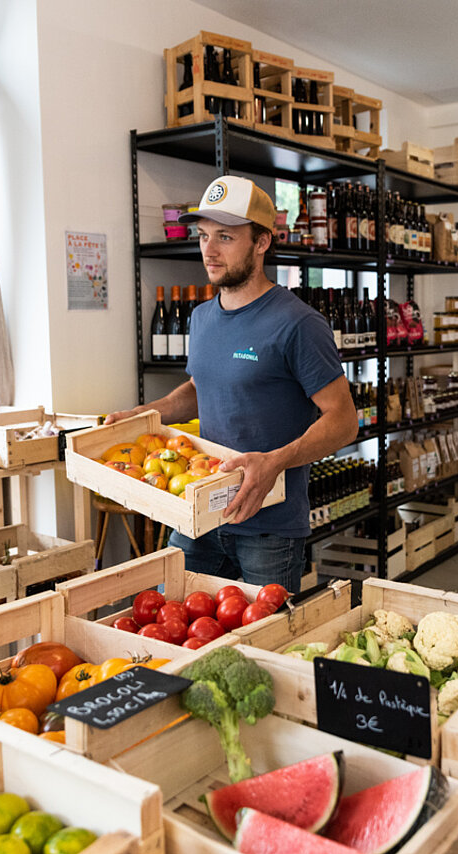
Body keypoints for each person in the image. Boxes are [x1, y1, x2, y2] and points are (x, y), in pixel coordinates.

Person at [105, 175, 358, 592]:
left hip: (270, 528)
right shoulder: (201, 318)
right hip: (200, 513)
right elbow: (200, 388)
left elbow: (345, 420)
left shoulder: (299, 324)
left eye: (225, 236)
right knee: (179, 630)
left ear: (262, 243)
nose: (209, 249)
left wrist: (276, 459)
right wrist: (143, 414)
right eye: (203, 235)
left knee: (266, 645)